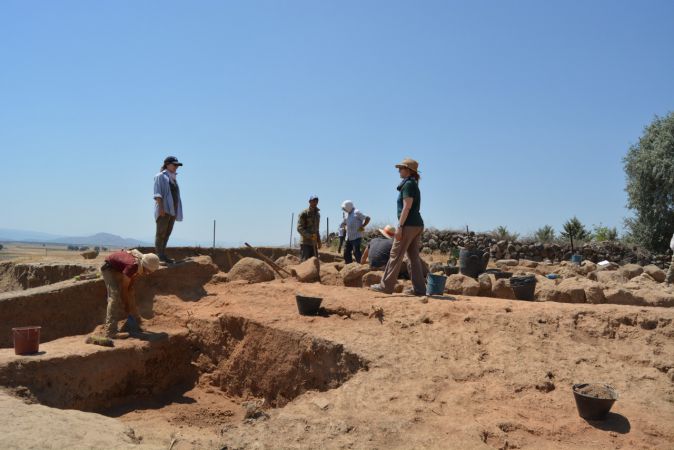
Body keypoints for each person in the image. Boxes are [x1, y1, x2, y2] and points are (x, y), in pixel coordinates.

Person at [371, 158, 426, 295]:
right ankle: (419, 289)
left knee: (395, 254)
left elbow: (406, 207)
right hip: (417, 224)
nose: (399, 170)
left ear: (408, 170)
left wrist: (400, 226)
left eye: (401, 168)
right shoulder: (413, 184)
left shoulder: (408, 185)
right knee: (413, 257)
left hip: (408, 225)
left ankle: (386, 286)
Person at [100, 249, 160, 339]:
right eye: (148, 271)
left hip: (120, 268)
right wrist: (126, 306)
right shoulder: (132, 266)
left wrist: (129, 300)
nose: (147, 274)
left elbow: (129, 286)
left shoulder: (141, 264)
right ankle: (110, 331)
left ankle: (136, 322)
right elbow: (124, 289)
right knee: (114, 296)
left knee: (131, 292)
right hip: (109, 268)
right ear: (144, 265)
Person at [154, 156, 184, 264]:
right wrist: (161, 207)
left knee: (167, 233)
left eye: (177, 165)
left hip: (172, 211)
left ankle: (163, 255)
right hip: (164, 210)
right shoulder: (160, 176)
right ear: (167, 164)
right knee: (160, 233)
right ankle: (159, 256)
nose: (176, 167)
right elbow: (157, 193)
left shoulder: (173, 178)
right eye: (174, 165)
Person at [342, 200, 370, 264]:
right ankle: (349, 265)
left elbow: (367, 218)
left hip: (356, 236)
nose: (344, 210)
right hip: (348, 237)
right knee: (346, 252)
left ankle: (361, 266)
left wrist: (363, 226)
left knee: (356, 252)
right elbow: (345, 223)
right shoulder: (347, 214)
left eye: (345, 208)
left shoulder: (356, 212)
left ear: (348, 207)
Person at [298, 195, 321, 261]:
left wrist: (319, 241)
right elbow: (299, 228)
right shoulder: (304, 213)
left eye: (316, 201)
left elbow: (317, 229)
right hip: (305, 243)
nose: (315, 203)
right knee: (304, 262)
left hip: (314, 243)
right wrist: (310, 236)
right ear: (309, 202)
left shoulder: (317, 214)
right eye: (313, 201)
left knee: (314, 263)